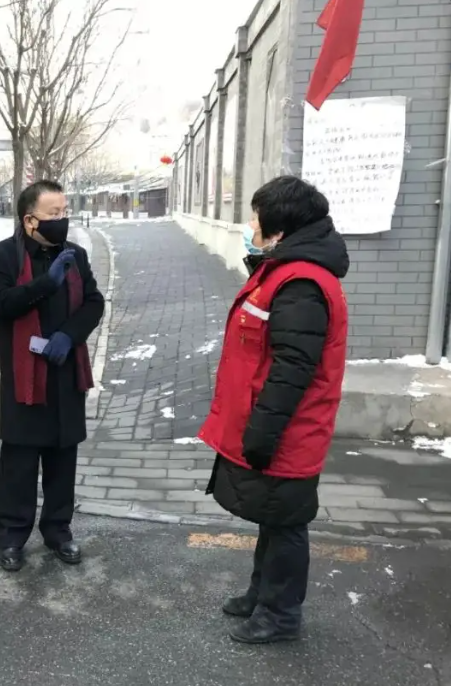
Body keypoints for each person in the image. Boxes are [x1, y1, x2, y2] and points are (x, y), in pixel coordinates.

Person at [199, 175, 349, 644]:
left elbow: (293, 369)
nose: (250, 224)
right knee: (272, 515)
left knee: (286, 524)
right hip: (273, 422)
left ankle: (281, 616)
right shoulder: (285, 270)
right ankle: (261, 593)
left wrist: (263, 431)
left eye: (256, 216)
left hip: (289, 429)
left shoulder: (301, 283)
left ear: (278, 227)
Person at [0, 180, 105, 572]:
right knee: (19, 457)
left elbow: (93, 301)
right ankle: (13, 536)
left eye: (64, 211)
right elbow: (1, 304)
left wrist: (70, 336)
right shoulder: (0, 257)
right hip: (24, 375)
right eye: (53, 213)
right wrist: (45, 283)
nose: (61, 219)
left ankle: (58, 530)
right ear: (29, 219)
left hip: (65, 371)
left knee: (62, 455)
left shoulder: (76, 255)